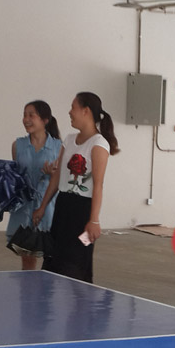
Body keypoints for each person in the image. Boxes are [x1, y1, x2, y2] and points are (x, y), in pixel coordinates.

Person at [42, 92, 117, 283]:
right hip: (63, 207)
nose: (70, 112)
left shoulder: (99, 144)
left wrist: (94, 220)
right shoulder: (68, 140)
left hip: (82, 211)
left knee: (76, 261)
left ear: (86, 111)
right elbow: (57, 177)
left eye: (73, 107)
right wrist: (42, 207)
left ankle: (81, 298)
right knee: (54, 258)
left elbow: (98, 185)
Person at [6, 100, 62, 270]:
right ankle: (28, 285)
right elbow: (16, 176)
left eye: (31, 115)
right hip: (24, 207)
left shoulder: (59, 147)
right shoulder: (18, 145)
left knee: (51, 256)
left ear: (45, 120)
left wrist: (53, 174)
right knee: (27, 257)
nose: (26, 119)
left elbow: (62, 180)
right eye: (24, 115)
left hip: (48, 206)